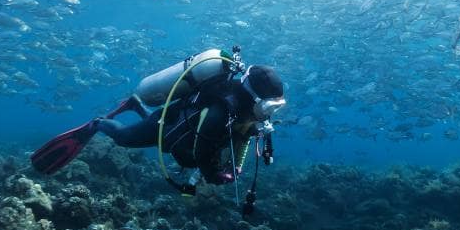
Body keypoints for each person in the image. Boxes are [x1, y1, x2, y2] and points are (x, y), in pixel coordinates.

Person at [30, 51, 285, 194]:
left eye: (276, 105)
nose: (270, 112)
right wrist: (214, 176)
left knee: (164, 141)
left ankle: (135, 105)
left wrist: (237, 167)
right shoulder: (221, 113)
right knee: (125, 139)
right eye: (269, 105)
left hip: (180, 132)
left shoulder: (245, 113)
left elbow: (243, 138)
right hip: (168, 124)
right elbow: (202, 153)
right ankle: (97, 124)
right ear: (254, 97)